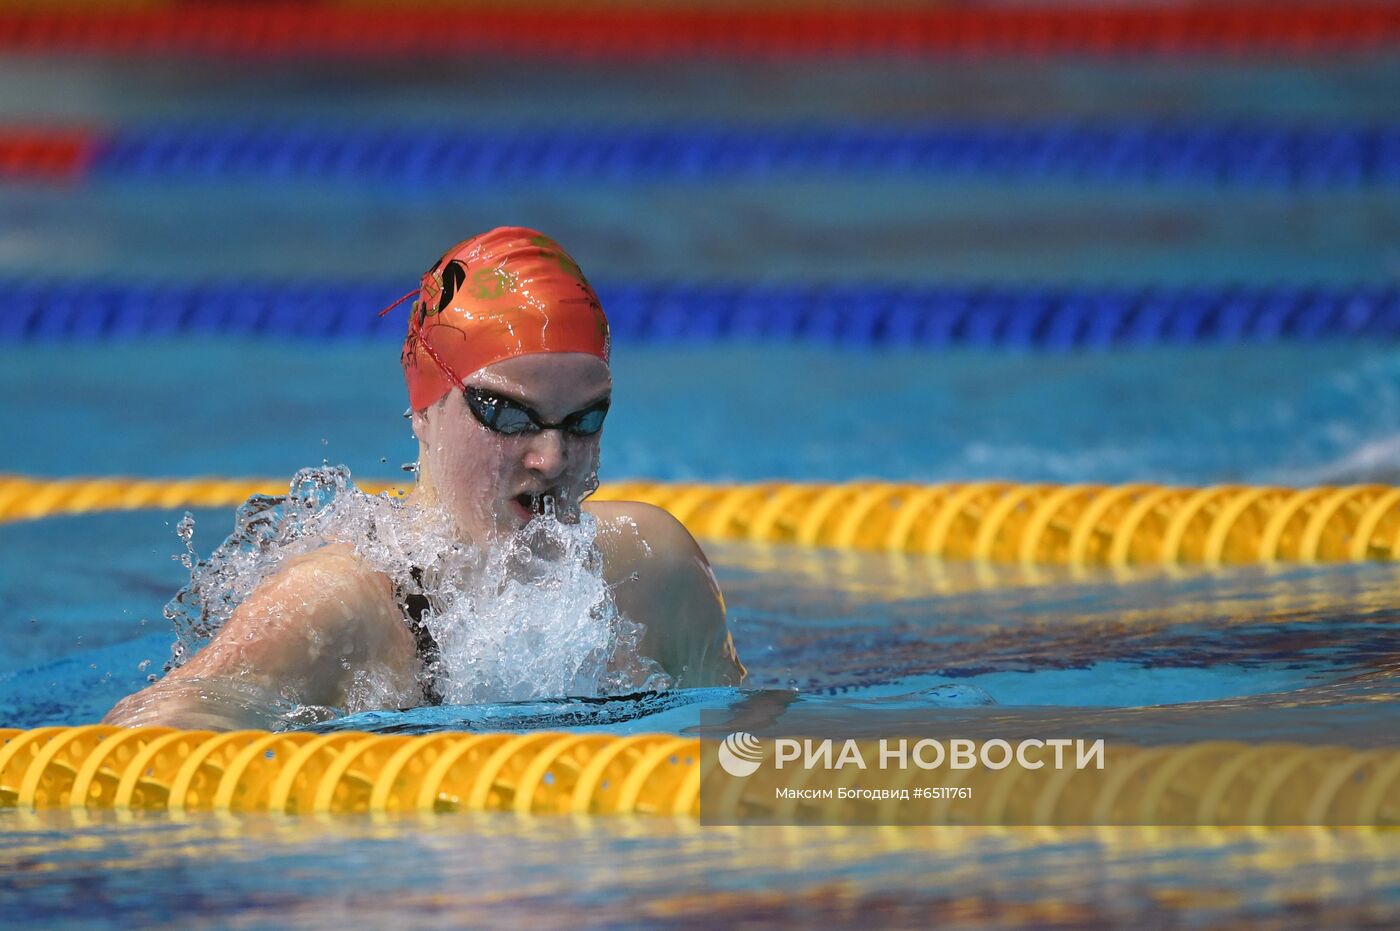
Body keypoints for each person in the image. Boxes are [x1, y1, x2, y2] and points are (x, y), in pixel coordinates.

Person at [105, 227, 744, 729]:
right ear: (425, 408)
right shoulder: (335, 610)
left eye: (584, 420)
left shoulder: (653, 572)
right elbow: (130, 762)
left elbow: (758, 771)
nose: (551, 458)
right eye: (508, 413)